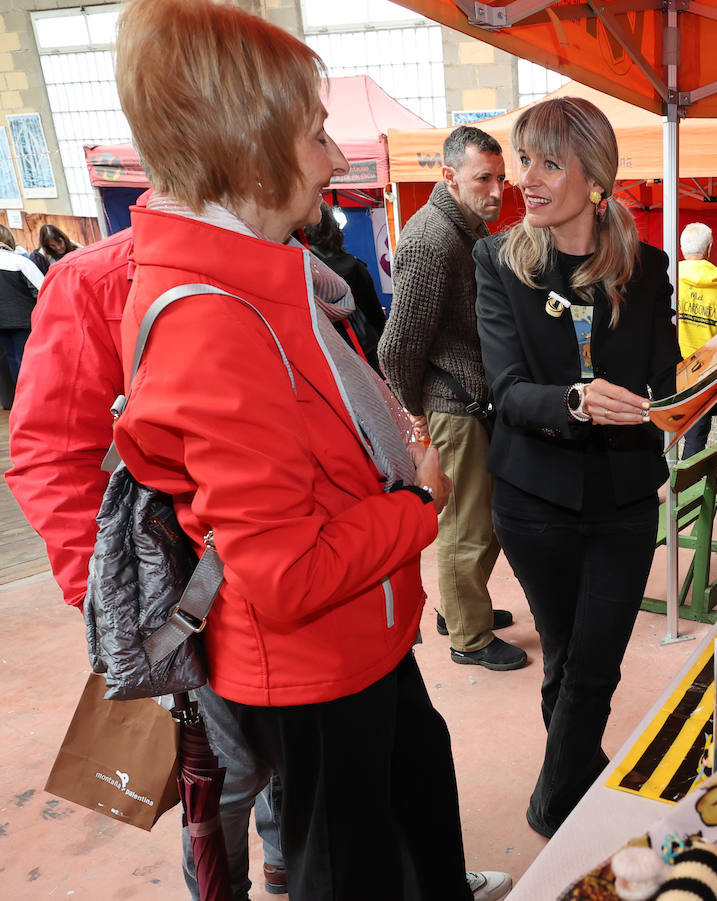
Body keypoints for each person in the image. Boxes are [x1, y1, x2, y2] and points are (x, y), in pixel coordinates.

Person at [109, 2, 511, 899]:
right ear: (248, 141)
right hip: (317, 660)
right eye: (317, 131)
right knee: (353, 864)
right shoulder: (215, 315)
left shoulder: (260, 274)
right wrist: (416, 503)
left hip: (358, 638)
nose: (332, 156)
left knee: (411, 822)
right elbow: (285, 572)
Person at [473, 96, 717, 836]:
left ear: (595, 177)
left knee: (593, 667)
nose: (528, 177)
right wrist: (578, 401)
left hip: (622, 502)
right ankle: (580, 779)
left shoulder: (646, 269)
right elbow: (509, 390)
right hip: (533, 502)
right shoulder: (496, 261)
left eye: (550, 162)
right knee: (565, 661)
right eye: (525, 159)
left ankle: (553, 807)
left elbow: (674, 384)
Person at [7, 198, 293, 898]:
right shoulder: (96, 277)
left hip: (278, 563)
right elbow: (50, 451)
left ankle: (286, 850)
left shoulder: (282, 257)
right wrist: (113, 603)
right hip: (183, 588)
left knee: (290, 744)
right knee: (223, 767)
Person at [379, 125, 526, 671]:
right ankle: (469, 638)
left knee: (476, 520)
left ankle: (461, 609)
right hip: (451, 406)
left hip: (466, 399)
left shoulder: (461, 227)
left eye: (500, 179)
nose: (495, 191)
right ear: (449, 177)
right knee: (467, 525)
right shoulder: (431, 239)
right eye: (482, 179)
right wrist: (415, 417)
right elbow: (395, 348)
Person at [676, 221, 717, 459]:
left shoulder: (671, 281)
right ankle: (685, 493)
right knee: (696, 437)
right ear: (710, 248)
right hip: (703, 373)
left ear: (682, 248)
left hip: (670, 370)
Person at [302, 201, 386, 372]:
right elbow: (376, 317)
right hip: (360, 351)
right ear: (333, 228)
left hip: (319, 357)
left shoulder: (299, 268)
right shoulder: (354, 267)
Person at [0, 222, 44, 388]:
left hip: (2, 324)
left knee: (12, 359)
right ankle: (32, 399)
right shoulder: (20, 261)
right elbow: (42, 291)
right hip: (24, 321)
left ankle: (20, 401)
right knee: (25, 360)